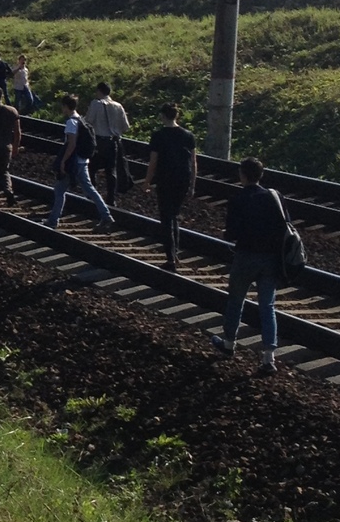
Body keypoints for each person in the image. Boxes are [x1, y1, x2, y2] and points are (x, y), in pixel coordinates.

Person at [210, 156, 287, 373]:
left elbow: (232, 233)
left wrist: (226, 234)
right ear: (261, 175)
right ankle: (268, 357)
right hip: (271, 259)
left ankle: (228, 343)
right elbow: (285, 226)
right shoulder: (275, 196)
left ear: (242, 175)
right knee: (267, 306)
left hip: (246, 256)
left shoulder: (238, 198)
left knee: (236, 300)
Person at [45, 94, 115, 230]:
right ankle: (106, 216)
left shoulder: (71, 122)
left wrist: (63, 161)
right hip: (83, 161)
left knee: (60, 189)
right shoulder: (81, 120)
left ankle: (53, 221)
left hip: (74, 162)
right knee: (87, 190)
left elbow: (71, 144)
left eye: (63, 106)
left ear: (66, 106)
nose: (62, 109)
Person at [143, 102, 197, 270]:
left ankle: (170, 259)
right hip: (183, 179)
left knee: (167, 218)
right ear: (177, 116)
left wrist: (147, 181)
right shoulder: (188, 135)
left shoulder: (158, 135)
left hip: (166, 179)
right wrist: (193, 184)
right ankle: (175, 254)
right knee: (174, 215)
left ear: (162, 116)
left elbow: (153, 162)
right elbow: (193, 162)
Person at [84, 81, 132, 207]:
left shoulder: (96, 104)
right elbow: (126, 127)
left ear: (99, 91)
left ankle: (92, 195)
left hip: (99, 141)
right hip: (113, 142)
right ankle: (111, 199)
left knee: (92, 168)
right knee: (111, 171)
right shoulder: (118, 106)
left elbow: (88, 122)